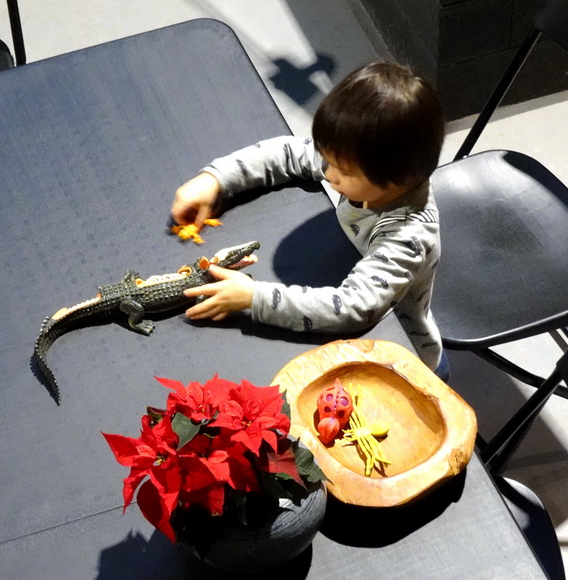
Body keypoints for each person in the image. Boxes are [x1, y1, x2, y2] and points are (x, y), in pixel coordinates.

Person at [171, 60, 448, 377]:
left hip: (399, 358)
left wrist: (254, 297)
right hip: (345, 276)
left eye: (341, 171)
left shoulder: (407, 233)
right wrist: (215, 179)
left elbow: (353, 307)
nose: (327, 172)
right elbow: (286, 153)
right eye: (327, 159)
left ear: (399, 180)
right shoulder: (360, 160)